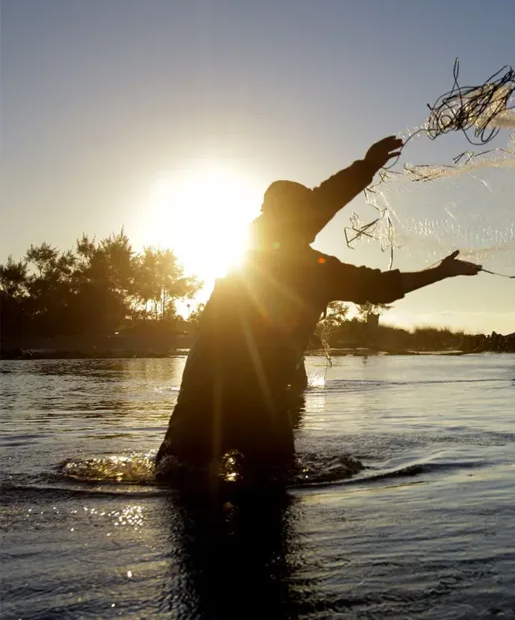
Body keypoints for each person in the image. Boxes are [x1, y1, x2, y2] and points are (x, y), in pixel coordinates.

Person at [156, 136, 480, 480]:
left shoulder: (250, 248)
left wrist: (366, 167)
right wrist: (440, 273)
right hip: (258, 403)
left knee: (179, 480)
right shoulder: (315, 270)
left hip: (205, 395)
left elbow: (321, 204)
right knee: (270, 490)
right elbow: (384, 285)